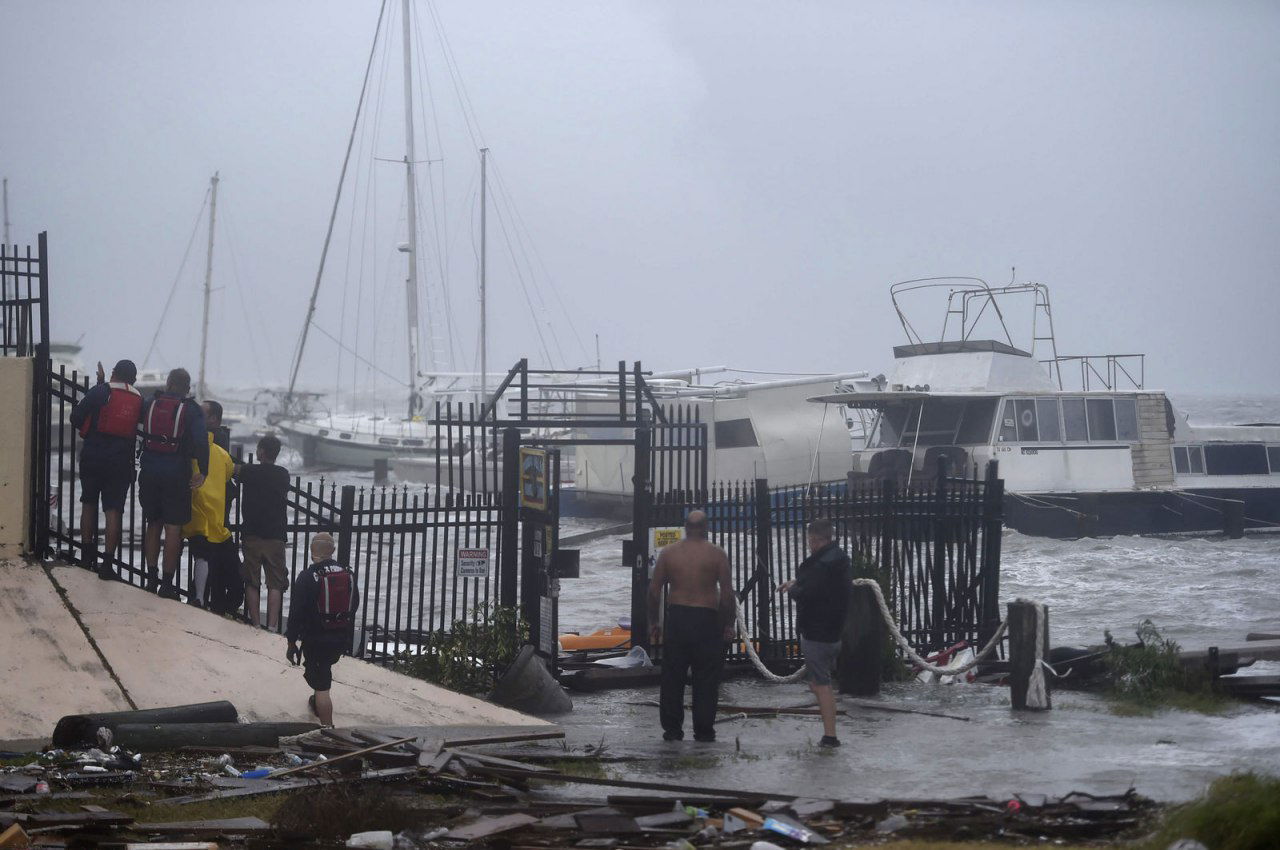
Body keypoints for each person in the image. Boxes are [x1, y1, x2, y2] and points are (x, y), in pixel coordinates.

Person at [647, 510, 735, 742]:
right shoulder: (717, 555)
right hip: (707, 618)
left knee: (672, 677)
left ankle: (672, 729)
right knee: (706, 678)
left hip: (677, 617)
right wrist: (728, 624)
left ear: (686, 527)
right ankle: (704, 730)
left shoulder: (669, 554)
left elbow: (654, 591)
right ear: (706, 528)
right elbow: (727, 595)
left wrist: (654, 622)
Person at [777, 518, 852, 748]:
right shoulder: (839, 558)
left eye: (809, 540)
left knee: (821, 685)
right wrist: (796, 582)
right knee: (818, 682)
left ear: (815, 539)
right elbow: (819, 585)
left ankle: (830, 737)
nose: (808, 545)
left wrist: (793, 590)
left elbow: (807, 593)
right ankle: (829, 731)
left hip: (817, 632)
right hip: (834, 630)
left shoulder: (821, 564)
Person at [69, 359, 142, 581]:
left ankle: (86, 556)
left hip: (93, 456)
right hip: (120, 462)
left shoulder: (102, 391)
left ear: (114, 373)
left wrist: (89, 429)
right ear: (134, 379)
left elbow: (76, 417)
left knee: (89, 503)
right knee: (113, 511)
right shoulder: (140, 400)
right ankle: (108, 564)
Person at [139, 368, 207, 599]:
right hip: (177, 474)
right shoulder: (191, 410)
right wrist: (204, 470)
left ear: (168, 383)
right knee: (173, 529)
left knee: (153, 524)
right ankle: (167, 584)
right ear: (187, 388)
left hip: (149, 470)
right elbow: (201, 441)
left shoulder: (150, 402)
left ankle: (150, 577)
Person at [286, 532, 358, 727]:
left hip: (316, 639)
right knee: (322, 674)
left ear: (311, 552)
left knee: (322, 687)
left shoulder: (308, 576)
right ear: (333, 551)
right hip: (339, 637)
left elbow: (296, 612)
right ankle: (317, 705)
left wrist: (291, 641)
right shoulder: (347, 574)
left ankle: (328, 730)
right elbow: (354, 605)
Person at [183, 400, 239, 614]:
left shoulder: (190, 449)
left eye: (201, 414)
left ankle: (198, 598)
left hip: (196, 511)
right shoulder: (222, 453)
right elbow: (229, 473)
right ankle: (220, 604)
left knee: (201, 555)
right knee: (216, 558)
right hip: (217, 516)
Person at [236, 434, 290, 629]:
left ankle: (256, 624)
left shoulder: (249, 471)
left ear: (261, 452)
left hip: (252, 533)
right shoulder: (283, 474)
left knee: (252, 581)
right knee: (275, 583)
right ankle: (273, 626)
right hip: (275, 534)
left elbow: (234, 470)